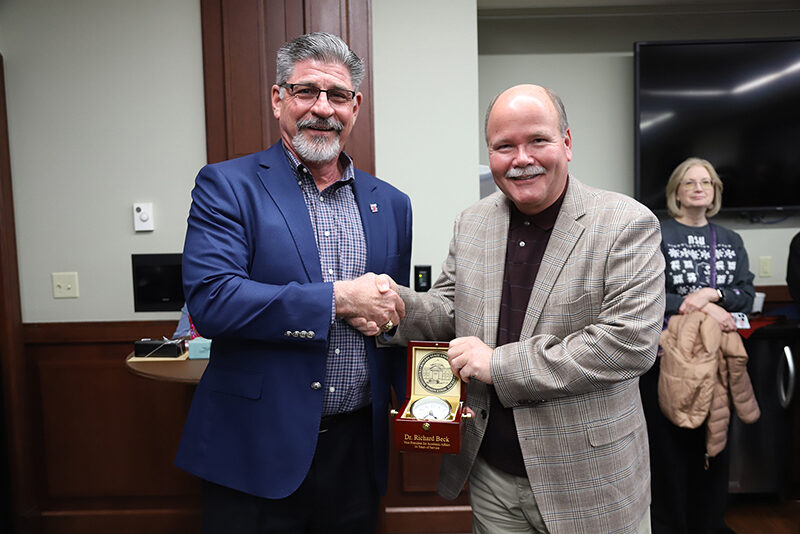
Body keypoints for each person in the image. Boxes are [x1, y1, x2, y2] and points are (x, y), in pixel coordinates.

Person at [382, 85, 665, 534]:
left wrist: (497, 363)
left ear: (567, 143)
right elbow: (450, 308)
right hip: (492, 476)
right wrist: (392, 306)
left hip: (589, 481)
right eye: (504, 146)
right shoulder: (472, 222)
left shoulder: (626, 224)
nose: (521, 158)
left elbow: (628, 344)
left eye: (538, 140)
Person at [175, 32, 411, 533]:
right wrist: (339, 299)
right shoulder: (227, 186)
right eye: (306, 91)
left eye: (338, 95)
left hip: (356, 453)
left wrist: (428, 391)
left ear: (356, 106)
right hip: (254, 450)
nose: (322, 109)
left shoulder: (391, 202)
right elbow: (213, 300)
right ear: (278, 98)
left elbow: (390, 316)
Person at [639, 157, 755, 534]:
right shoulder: (658, 232)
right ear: (676, 191)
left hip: (717, 358)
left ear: (715, 191)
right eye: (689, 182)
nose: (698, 188)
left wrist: (710, 294)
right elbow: (648, 293)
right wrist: (701, 304)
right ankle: (671, 526)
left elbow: (746, 293)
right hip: (668, 358)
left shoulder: (731, 240)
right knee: (670, 447)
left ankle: (709, 524)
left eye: (706, 182)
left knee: (714, 442)